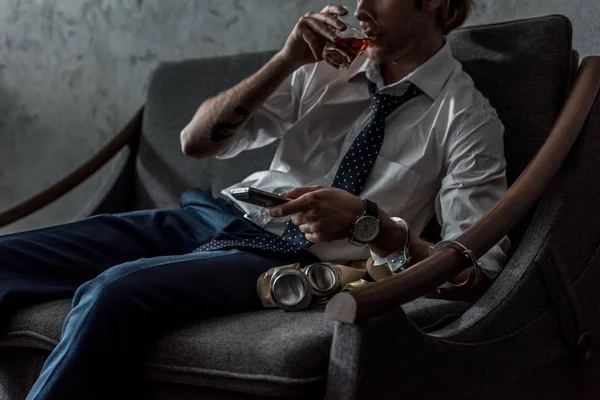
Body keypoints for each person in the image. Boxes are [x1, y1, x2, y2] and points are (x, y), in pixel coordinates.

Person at [0, 0, 509, 398]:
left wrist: (369, 223)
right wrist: (287, 59)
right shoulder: (327, 71)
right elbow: (196, 141)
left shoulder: (466, 119)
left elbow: (471, 272)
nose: (360, 10)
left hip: (280, 254)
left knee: (112, 294)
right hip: (215, 214)